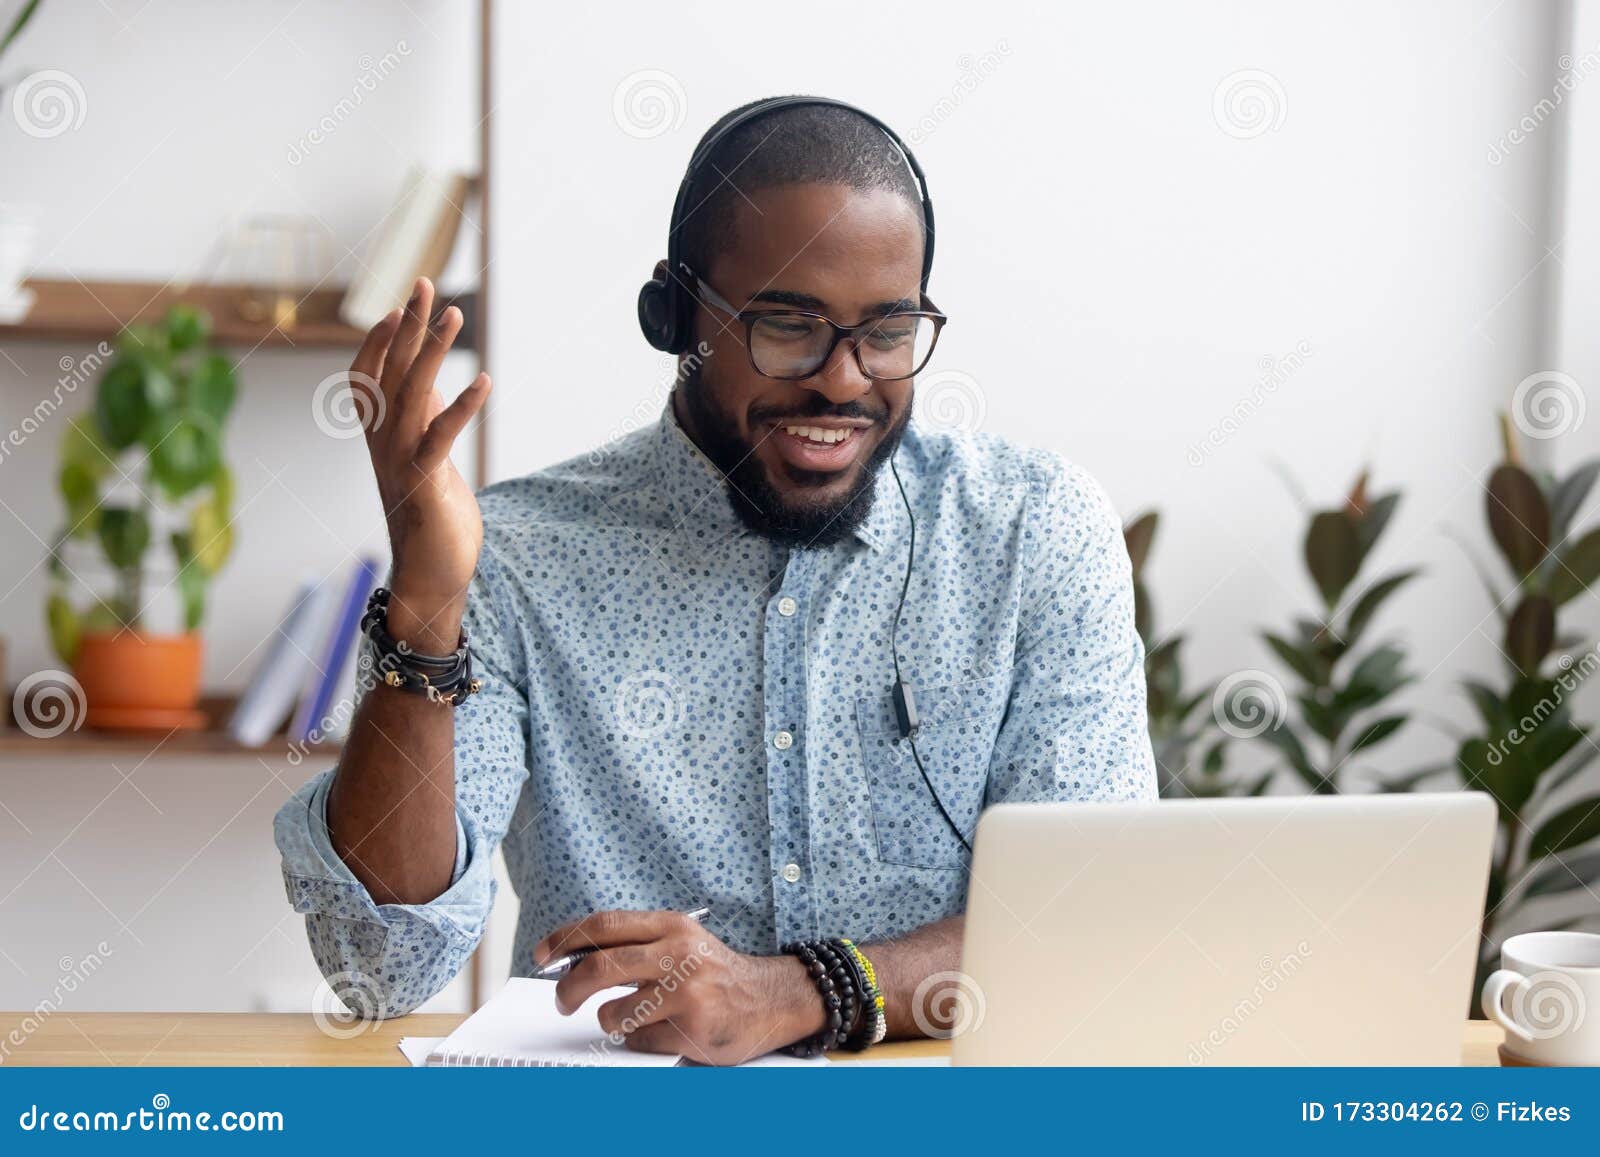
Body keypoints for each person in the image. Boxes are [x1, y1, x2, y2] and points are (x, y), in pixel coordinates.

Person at [274, 97, 1155, 1064]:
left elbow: (1089, 926)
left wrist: (798, 991)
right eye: (790, 326)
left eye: (889, 331)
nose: (846, 381)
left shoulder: (1033, 533)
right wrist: (429, 604)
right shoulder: (514, 556)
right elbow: (375, 967)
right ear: (676, 315)